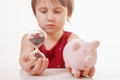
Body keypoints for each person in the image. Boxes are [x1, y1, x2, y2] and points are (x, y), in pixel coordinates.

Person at [19, 0, 95, 78]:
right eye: (43, 11)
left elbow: (77, 53)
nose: (50, 18)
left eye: (57, 11)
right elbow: (24, 58)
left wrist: (80, 65)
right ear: (35, 13)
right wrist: (26, 64)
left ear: (68, 13)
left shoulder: (71, 39)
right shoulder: (29, 38)